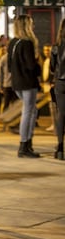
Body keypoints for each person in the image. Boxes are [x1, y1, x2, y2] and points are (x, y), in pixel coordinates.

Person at [7, 14, 41, 158]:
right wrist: (38, 65)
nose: (33, 26)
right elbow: (31, 66)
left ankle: (27, 144)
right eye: (31, 23)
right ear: (26, 26)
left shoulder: (13, 42)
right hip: (28, 82)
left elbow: (9, 66)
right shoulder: (27, 43)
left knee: (32, 111)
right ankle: (24, 145)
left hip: (16, 82)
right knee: (28, 112)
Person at [50, 18, 65, 160]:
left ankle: (60, 147)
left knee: (61, 114)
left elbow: (52, 68)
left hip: (60, 83)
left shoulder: (56, 46)